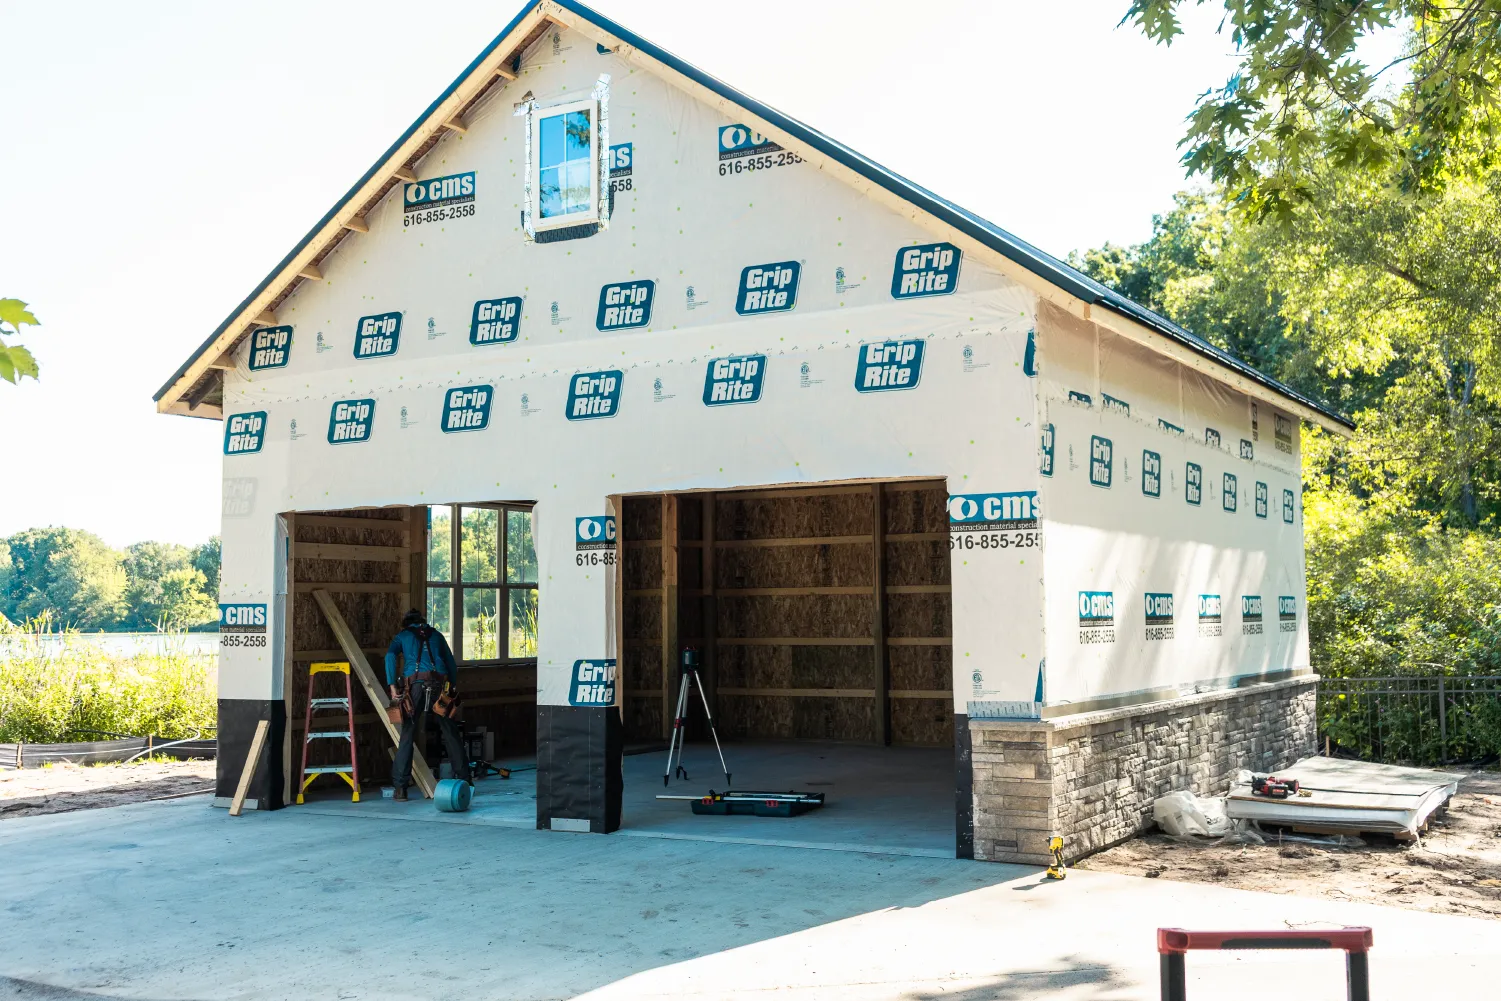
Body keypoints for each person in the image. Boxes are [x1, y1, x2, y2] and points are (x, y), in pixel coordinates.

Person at [385, 609, 471, 800]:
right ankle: (466, 780)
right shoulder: (437, 635)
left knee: (407, 733)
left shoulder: (403, 636)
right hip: (439, 685)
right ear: (422, 622)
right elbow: (450, 663)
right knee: (449, 730)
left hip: (414, 686)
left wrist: (392, 686)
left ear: (406, 624)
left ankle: (400, 788)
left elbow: (390, 657)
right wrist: (452, 687)